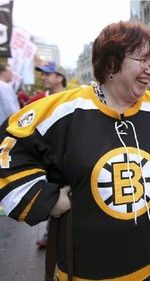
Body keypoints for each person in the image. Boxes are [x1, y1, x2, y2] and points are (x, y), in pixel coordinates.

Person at [0, 20, 150, 281]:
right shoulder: (60, 111)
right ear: (111, 63)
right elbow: (8, 148)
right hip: (88, 269)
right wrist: (44, 199)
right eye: (143, 60)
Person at [30, 61, 67, 248]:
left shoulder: (73, 99)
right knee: (53, 198)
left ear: (59, 77)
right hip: (45, 161)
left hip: (69, 159)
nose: (43, 77)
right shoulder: (36, 100)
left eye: (47, 74)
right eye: (41, 74)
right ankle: (49, 233)